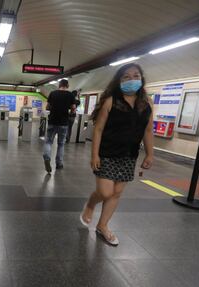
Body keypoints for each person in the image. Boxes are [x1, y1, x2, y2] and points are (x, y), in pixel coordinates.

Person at [79, 63, 153, 246]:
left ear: (141, 79)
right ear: (119, 81)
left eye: (136, 76)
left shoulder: (147, 103)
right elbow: (98, 129)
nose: (132, 80)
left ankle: (102, 226)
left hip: (129, 155)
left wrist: (150, 154)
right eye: (126, 77)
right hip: (107, 153)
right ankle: (90, 204)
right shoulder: (111, 101)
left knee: (116, 193)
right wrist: (94, 155)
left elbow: (148, 131)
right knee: (105, 191)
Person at [43, 79, 77, 172]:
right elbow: (73, 108)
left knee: (48, 142)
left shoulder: (52, 93)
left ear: (59, 85)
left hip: (52, 121)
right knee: (61, 144)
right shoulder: (70, 95)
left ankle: (46, 158)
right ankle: (59, 163)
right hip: (63, 123)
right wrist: (70, 112)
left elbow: (47, 107)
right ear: (67, 85)